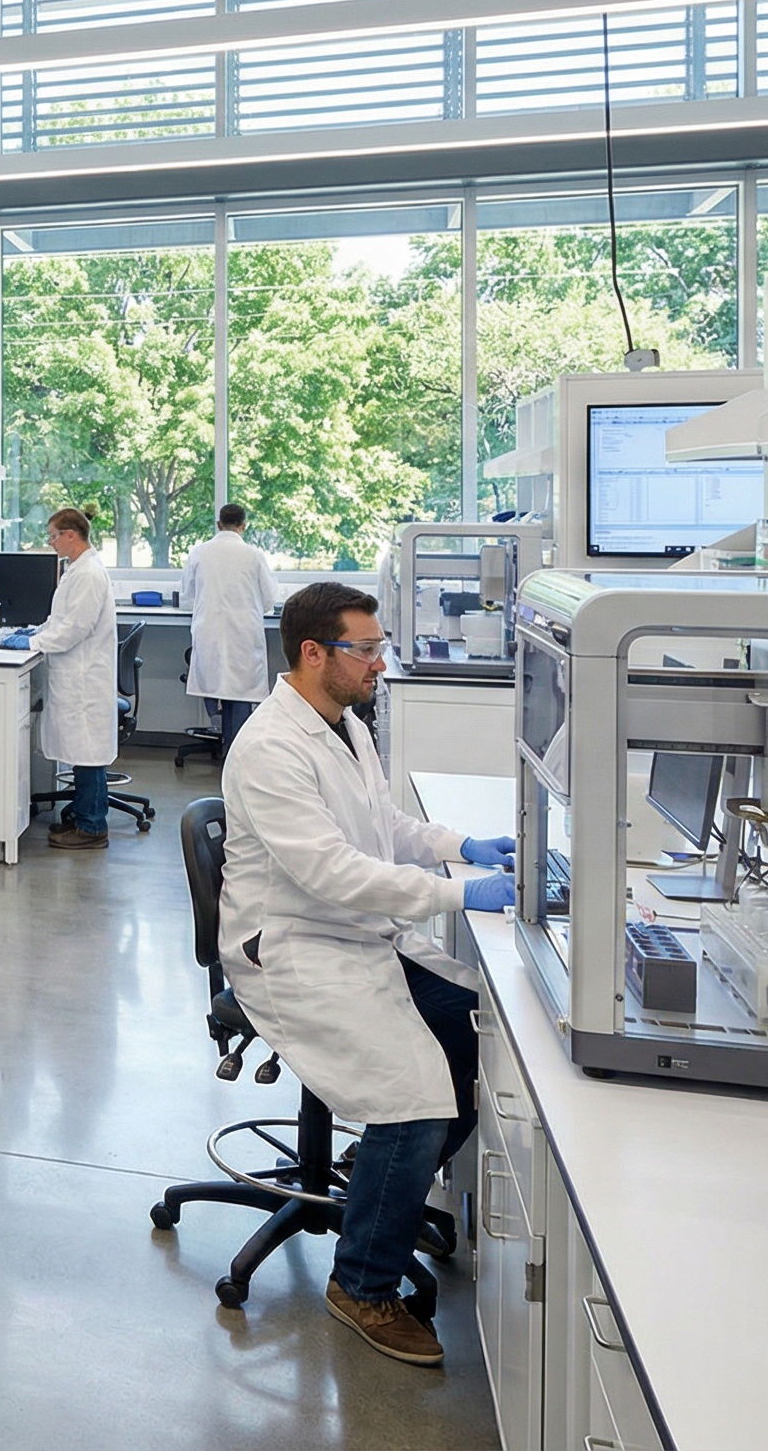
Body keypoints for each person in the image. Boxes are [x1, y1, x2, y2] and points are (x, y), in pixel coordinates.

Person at [217, 581, 516, 1368]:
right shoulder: (270, 747)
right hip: (290, 947)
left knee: (475, 1031)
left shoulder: (344, 721)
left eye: (379, 647)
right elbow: (333, 872)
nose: (381, 662)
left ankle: (378, 1177)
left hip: (353, 933)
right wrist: (458, 893)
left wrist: (462, 845)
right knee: (415, 1096)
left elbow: (380, 826)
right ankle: (363, 1284)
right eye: (367, 649)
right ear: (313, 653)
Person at [0, 507, 117, 850]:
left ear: (70, 535)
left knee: (87, 754)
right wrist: (37, 630)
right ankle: (84, 814)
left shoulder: (88, 574)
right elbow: (61, 619)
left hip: (84, 680)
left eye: (53, 536)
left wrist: (32, 642)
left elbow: (74, 630)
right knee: (82, 751)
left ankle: (93, 827)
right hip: (77, 675)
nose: (50, 543)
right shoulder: (77, 570)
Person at [181, 503, 282, 750]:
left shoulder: (199, 553)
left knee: (214, 685)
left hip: (209, 634)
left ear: (219, 524)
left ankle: (224, 736)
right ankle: (235, 752)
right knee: (240, 693)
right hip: (243, 635)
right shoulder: (254, 555)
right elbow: (269, 601)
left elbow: (186, 598)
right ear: (243, 526)